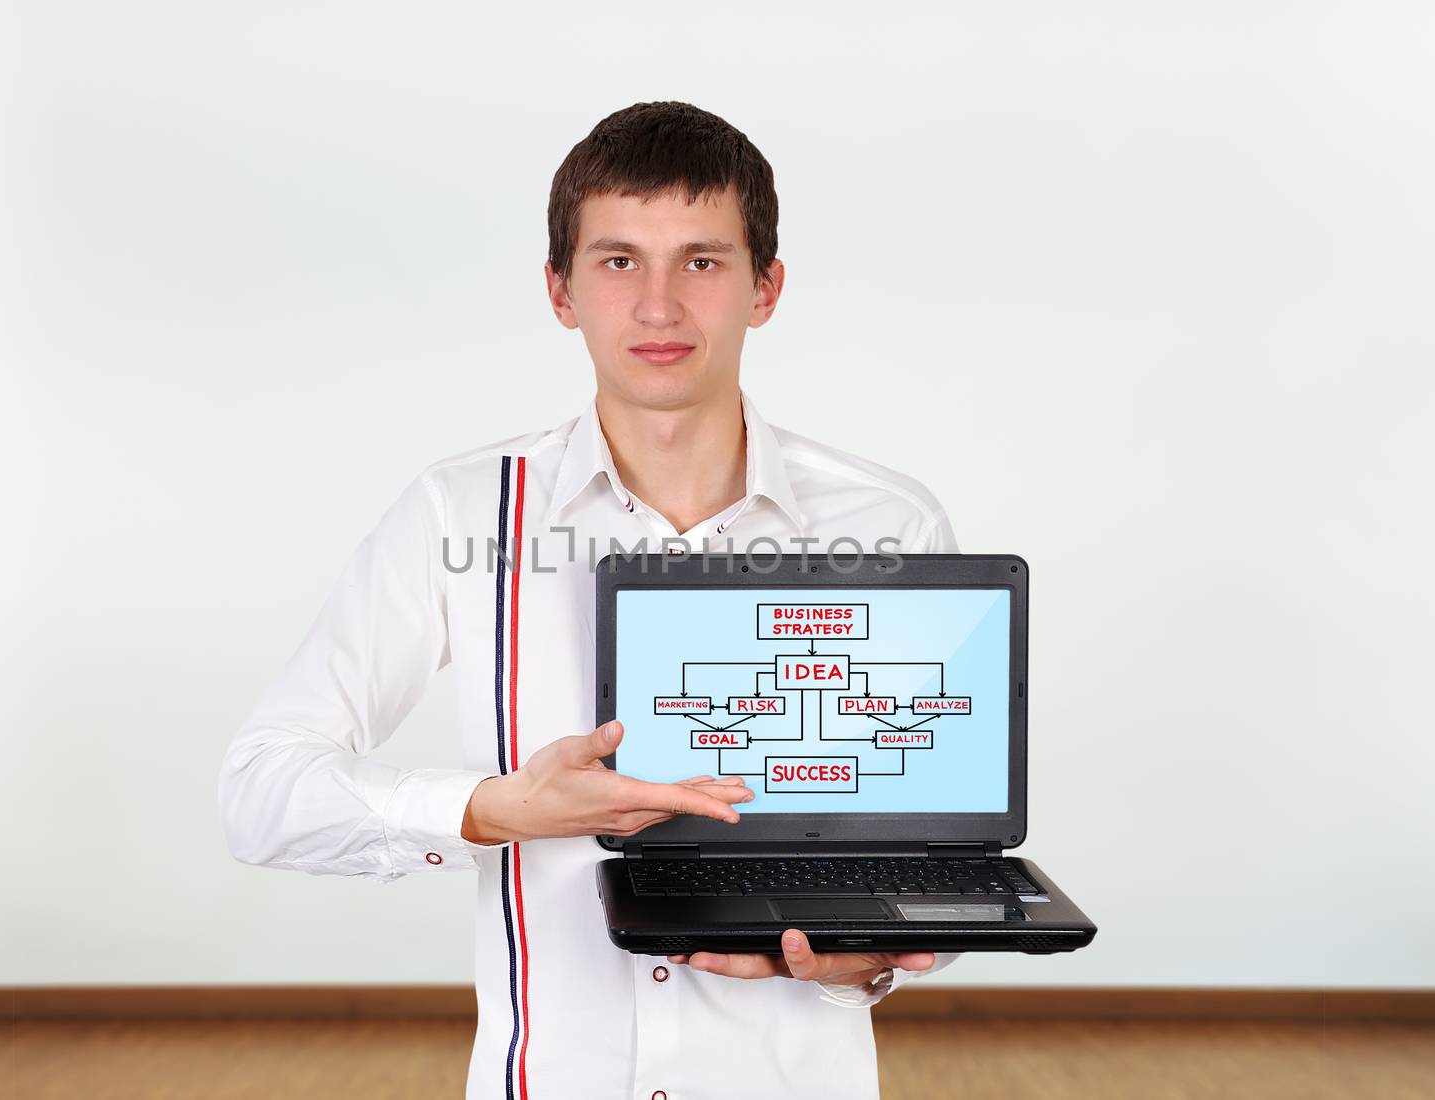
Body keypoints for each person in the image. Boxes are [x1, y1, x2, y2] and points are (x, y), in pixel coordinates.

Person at [218, 100, 962, 1100]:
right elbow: (262, 793)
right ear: (561, 290)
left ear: (765, 287)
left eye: (701, 261)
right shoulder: (459, 512)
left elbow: (933, 861)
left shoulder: (888, 520)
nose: (658, 306)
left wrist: (858, 959)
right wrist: (492, 808)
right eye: (618, 261)